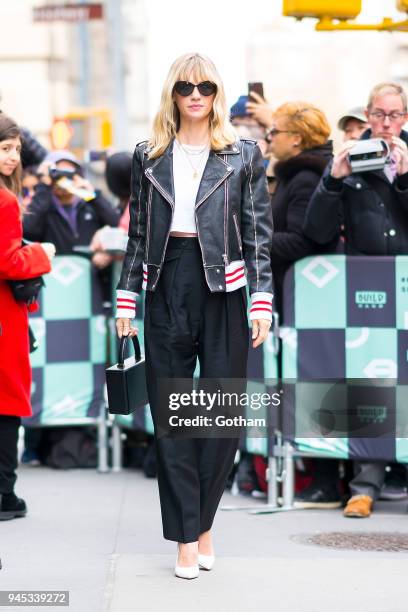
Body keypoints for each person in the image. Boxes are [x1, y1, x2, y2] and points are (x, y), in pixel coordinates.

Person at [115, 52, 273, 579]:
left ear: (217, 93)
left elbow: (257, 234)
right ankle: (186, 536)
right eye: (186, 86)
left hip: (223, 287)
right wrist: (126, 300)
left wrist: (260, 299)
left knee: (221, 419)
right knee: (174, 420)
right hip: (166, 284)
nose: (196, 95)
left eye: (206, 86)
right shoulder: (148, 155)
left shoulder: (242, 154)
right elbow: (138, 235)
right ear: (174, 93)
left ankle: (203, 522)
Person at [304, 81, 408, 518]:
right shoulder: (349, 156)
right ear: (367, 115)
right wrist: (333, 181)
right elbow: (315, 231)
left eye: (395, 115)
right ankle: (364, 485)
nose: (386, 124)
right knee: (372, 385)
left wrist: (405, 179)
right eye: (380, 115)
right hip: (368, 292)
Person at [0, 113, 55, 520]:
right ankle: (4, 494)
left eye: (17, 149)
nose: (14, 157)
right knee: (8, 403)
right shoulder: (4, 200)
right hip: (5, 317)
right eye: (5, 148)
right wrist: (43, 254)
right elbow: (8, 261)